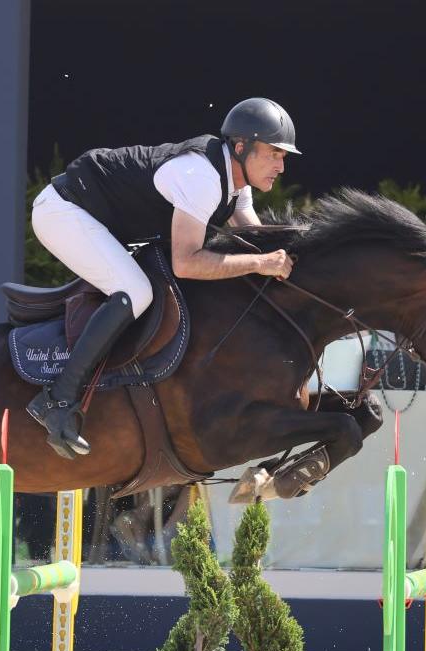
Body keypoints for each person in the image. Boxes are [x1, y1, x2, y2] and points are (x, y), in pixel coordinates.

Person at [26, 98, 300, 458]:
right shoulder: (201, 177)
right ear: (241, 147)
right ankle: (56, 399)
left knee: (143, 287)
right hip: (62, 211)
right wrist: (260, 263)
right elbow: (187, 263)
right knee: (135, 291)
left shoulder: (237, 184)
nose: (281, 165)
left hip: (96, 219)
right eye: (274, 153)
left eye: (283, 156)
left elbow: (257, 239)